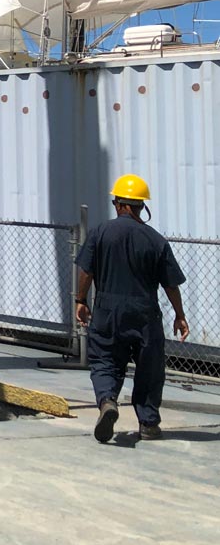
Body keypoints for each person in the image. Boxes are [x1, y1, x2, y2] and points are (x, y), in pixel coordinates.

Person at [75, 173, 190, 443]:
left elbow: (86, 270)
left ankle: (107, 401)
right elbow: (170, 284)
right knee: (150, 368)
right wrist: (180, 315)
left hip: (106, 308)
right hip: (144, 312)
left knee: (104, 360)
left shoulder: (100, 233)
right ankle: (148, 424)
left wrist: (81, 300)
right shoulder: (156, 240)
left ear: (119, 204)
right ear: (142, 206)